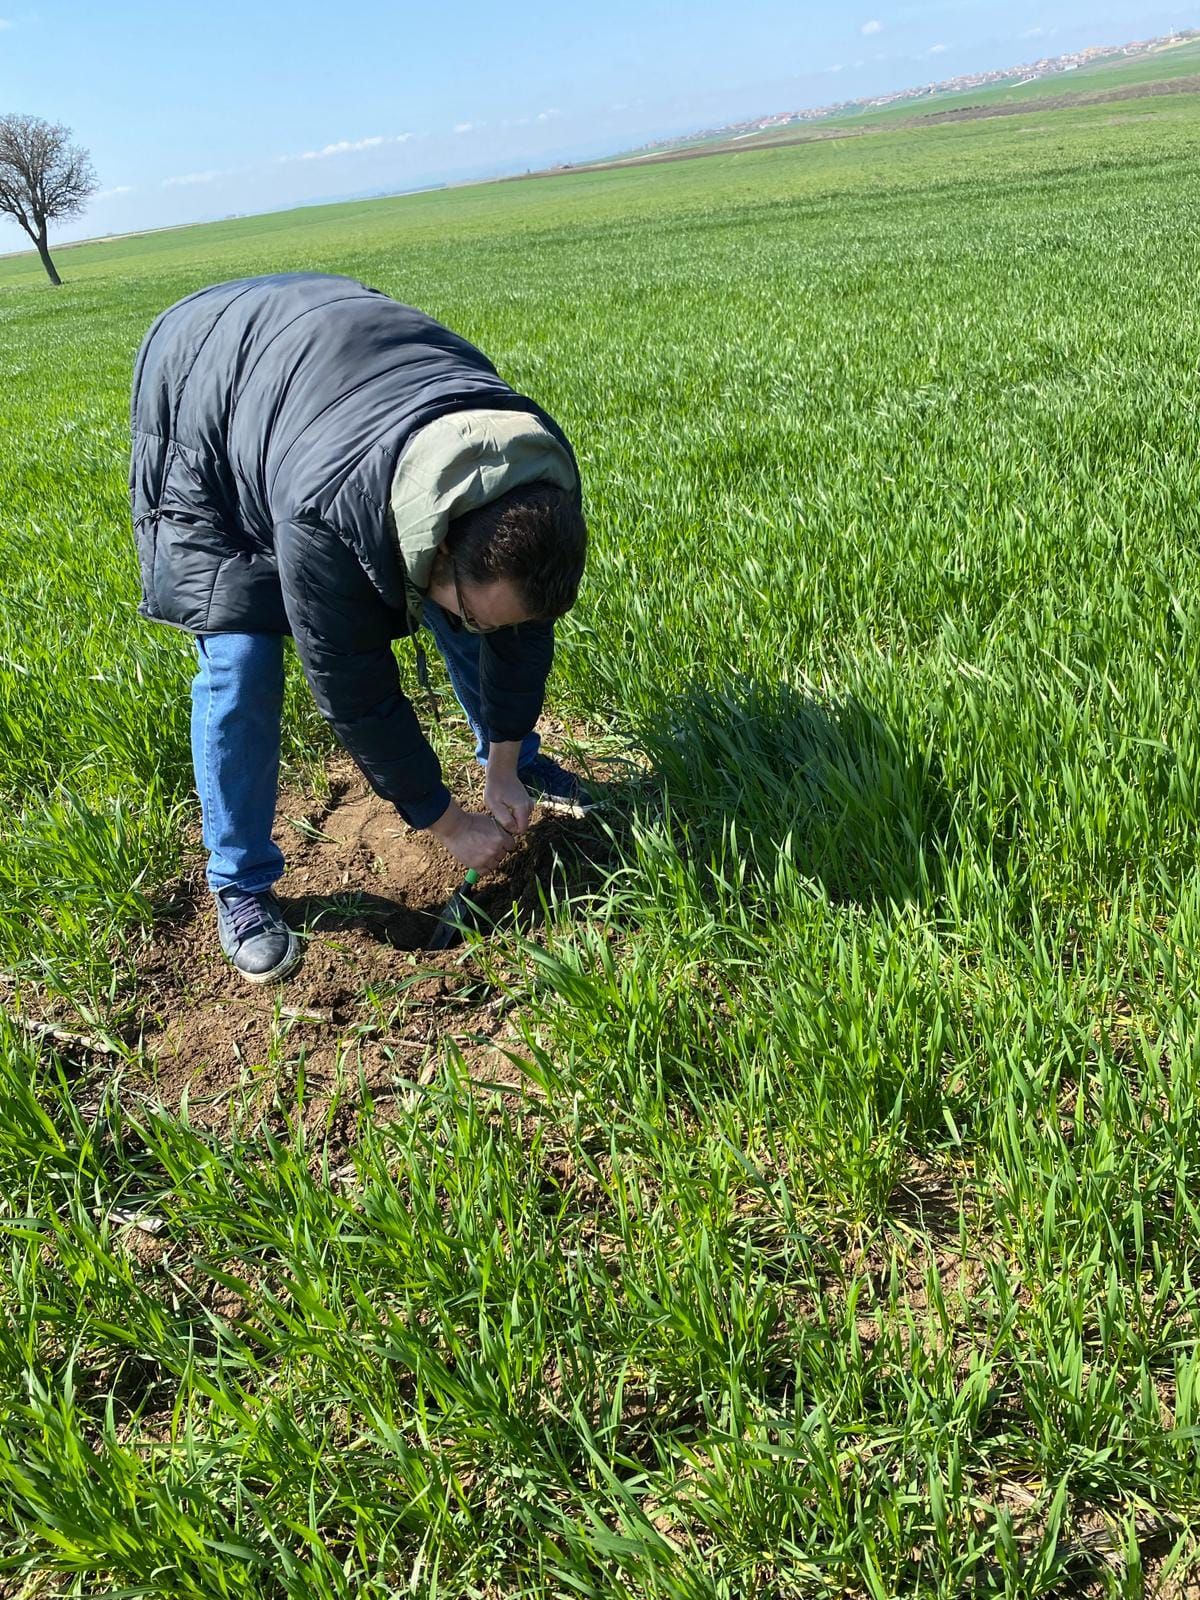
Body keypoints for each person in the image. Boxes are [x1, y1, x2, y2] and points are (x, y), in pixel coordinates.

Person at [130, 272, 591, 984]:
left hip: (325, 368)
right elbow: (355, 692)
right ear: (434, 546)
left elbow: (518, 629)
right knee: (242, 654)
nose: (479, 625)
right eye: (462, 602)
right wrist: (445, 823)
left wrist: (502, 764)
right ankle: (240, 882)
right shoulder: (326, 521)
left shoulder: (535, 475)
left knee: (491, 614)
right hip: (206, 395)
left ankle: (519, 765)